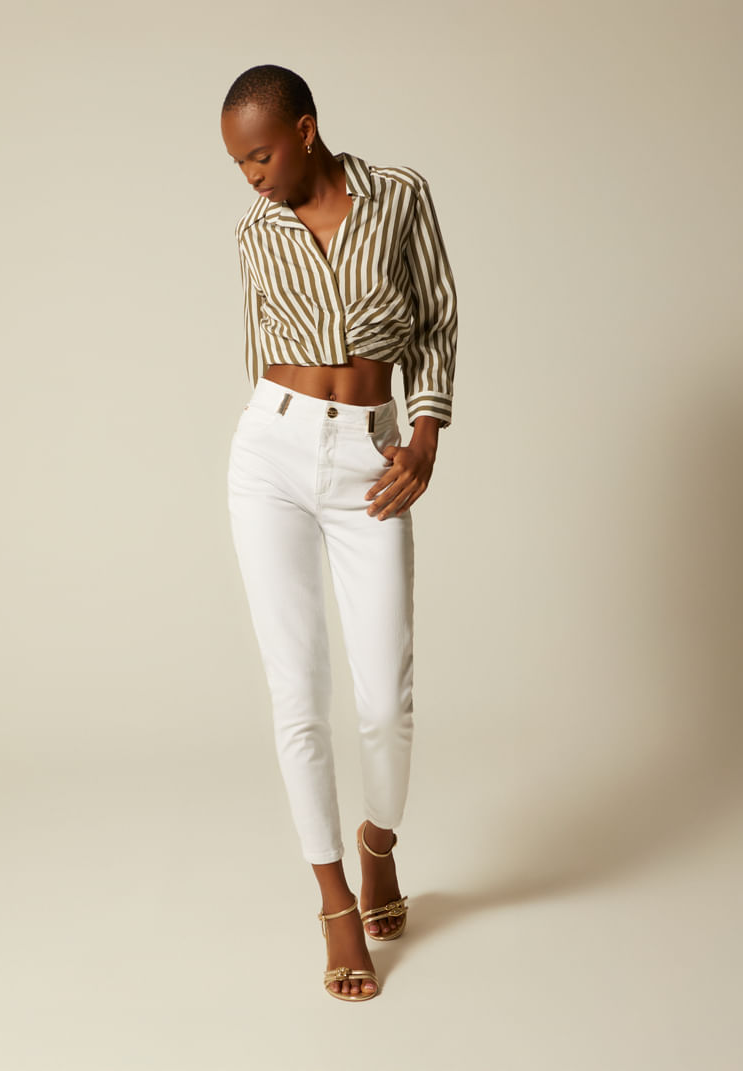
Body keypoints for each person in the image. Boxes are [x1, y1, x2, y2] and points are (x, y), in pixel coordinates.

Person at [220, 64, 457, 1002]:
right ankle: (334, 901)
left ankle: (378, 844)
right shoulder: (255, 232)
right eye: (239, 164)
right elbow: (257, 350)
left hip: (370, 454)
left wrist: (424, 431)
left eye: (260, 155)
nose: (252, 176)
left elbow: (435, 321)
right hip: (269, 455)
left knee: (384, 699)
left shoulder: (399, 196)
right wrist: (287, 426)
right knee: (297, 693)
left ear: (305, 130)